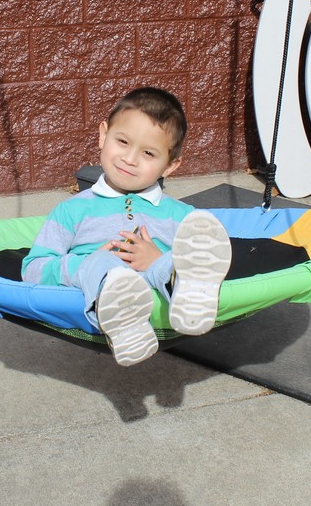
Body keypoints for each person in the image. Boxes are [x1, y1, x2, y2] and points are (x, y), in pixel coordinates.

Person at [21, 87, 232, 366]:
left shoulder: (183, 216)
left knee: (177, 258)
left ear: (170, 166)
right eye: (122, 141)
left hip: (156, 286)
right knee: (102, 267)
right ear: (103, 135)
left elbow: (212, 261)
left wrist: (157, 259)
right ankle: (124, 317)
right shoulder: (72, 211)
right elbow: (33, 269)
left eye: (148, 152)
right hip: (100, 291)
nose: (130, 159)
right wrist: (84, 265)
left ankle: (183, 292)